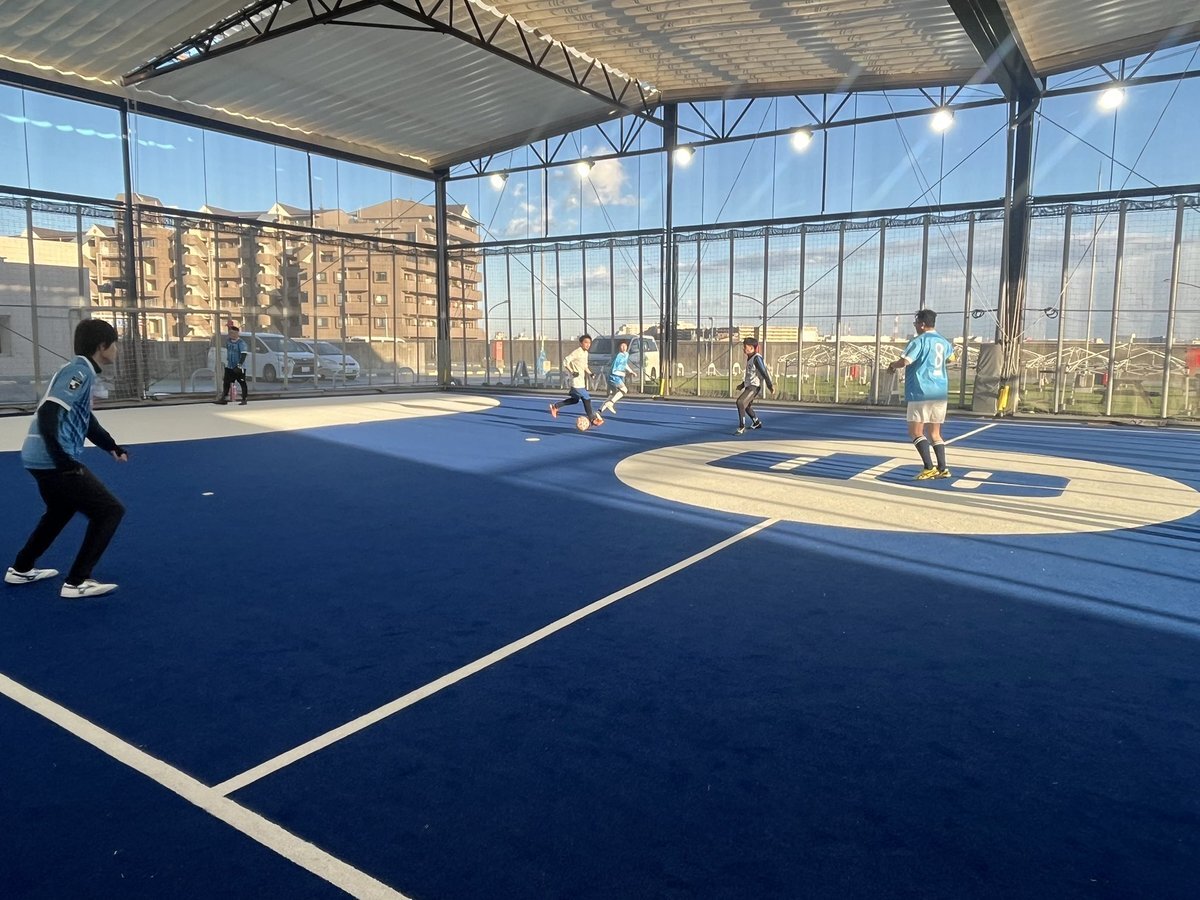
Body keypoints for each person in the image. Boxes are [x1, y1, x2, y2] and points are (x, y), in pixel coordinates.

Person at [6, 319, 129, 599]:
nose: (117, 349)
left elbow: (85, 420)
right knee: (110, 511)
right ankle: (77, 582)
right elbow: (49, 411)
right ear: (102, 346)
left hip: (37, 457)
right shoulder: (79, 372)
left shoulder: (81, 371)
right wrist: (61, 459)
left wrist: (111, 445)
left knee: (60, 510)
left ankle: (21, 568)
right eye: (115, 344)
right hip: (53, 459)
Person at [887, 308, 956, 480]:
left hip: (921, 391)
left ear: (922, 324)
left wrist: (892, 365)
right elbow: (952, 359)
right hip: (940, 392)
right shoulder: (943, 341)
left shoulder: (919, 341)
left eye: (916, 323)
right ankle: (943, 468)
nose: (915, 326)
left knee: (916, 431)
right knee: (935, 433)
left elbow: (905, 361)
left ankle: (928, 467)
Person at [549, 334, 603, 426]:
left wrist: (590, 373)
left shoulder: (585, 353)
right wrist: (572, 371)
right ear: (581, 343)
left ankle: (555, 406)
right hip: (576, 381)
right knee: (586, 397)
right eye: (586, 342)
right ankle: (593, 419)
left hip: (581, 382)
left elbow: (584, 366)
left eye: (589, 343)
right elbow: (565, 361)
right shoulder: (577, 352)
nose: (588, 344)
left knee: (575, 400)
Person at [734, 338, 773, 434]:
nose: (743, 349)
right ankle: (756, 422)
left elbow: (764, 372)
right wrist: (742, 385)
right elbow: (750, 375)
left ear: (751, 348)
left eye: (745, 347)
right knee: (746, 406)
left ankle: (742, 427)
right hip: (749, 385)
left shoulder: (757, 358)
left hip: (754, 386)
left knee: (740, 402)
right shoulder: (750, 358)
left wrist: (770, 385)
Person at [600, 338, 637, 415]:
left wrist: (631, 371)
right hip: (614, 376)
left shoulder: (626, 354)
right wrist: (621, 374)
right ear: (619, 347)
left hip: (619, 376)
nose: (623, 347)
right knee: (624, 390)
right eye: (622, 346)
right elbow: (614, 368)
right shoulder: (618, 356)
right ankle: (611, 403)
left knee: (613, 394)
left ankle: (599, 411)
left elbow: (624, 364)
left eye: (625, 346)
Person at [216, 322, 248, 405]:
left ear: (237, 333)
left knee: (242, 382)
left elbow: (244, 354)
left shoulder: (241, 343)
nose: (231, 335)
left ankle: (244, 399)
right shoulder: (228, 342)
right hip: (230, 366)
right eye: (230, 333)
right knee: (226, 382)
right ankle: (224, 398)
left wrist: (239, 365)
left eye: (233, 333)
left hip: (239, 367)